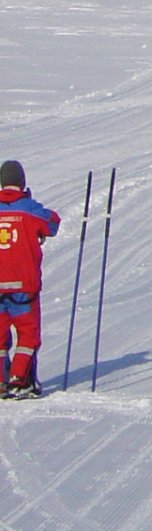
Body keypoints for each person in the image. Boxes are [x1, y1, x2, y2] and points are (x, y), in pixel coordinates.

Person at [0, 160, 62, 399]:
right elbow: (52, 223)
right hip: (23, 286)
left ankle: (2, 381)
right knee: (28, 334)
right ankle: (20, 379)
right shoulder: (28, 208)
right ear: (22, 182)